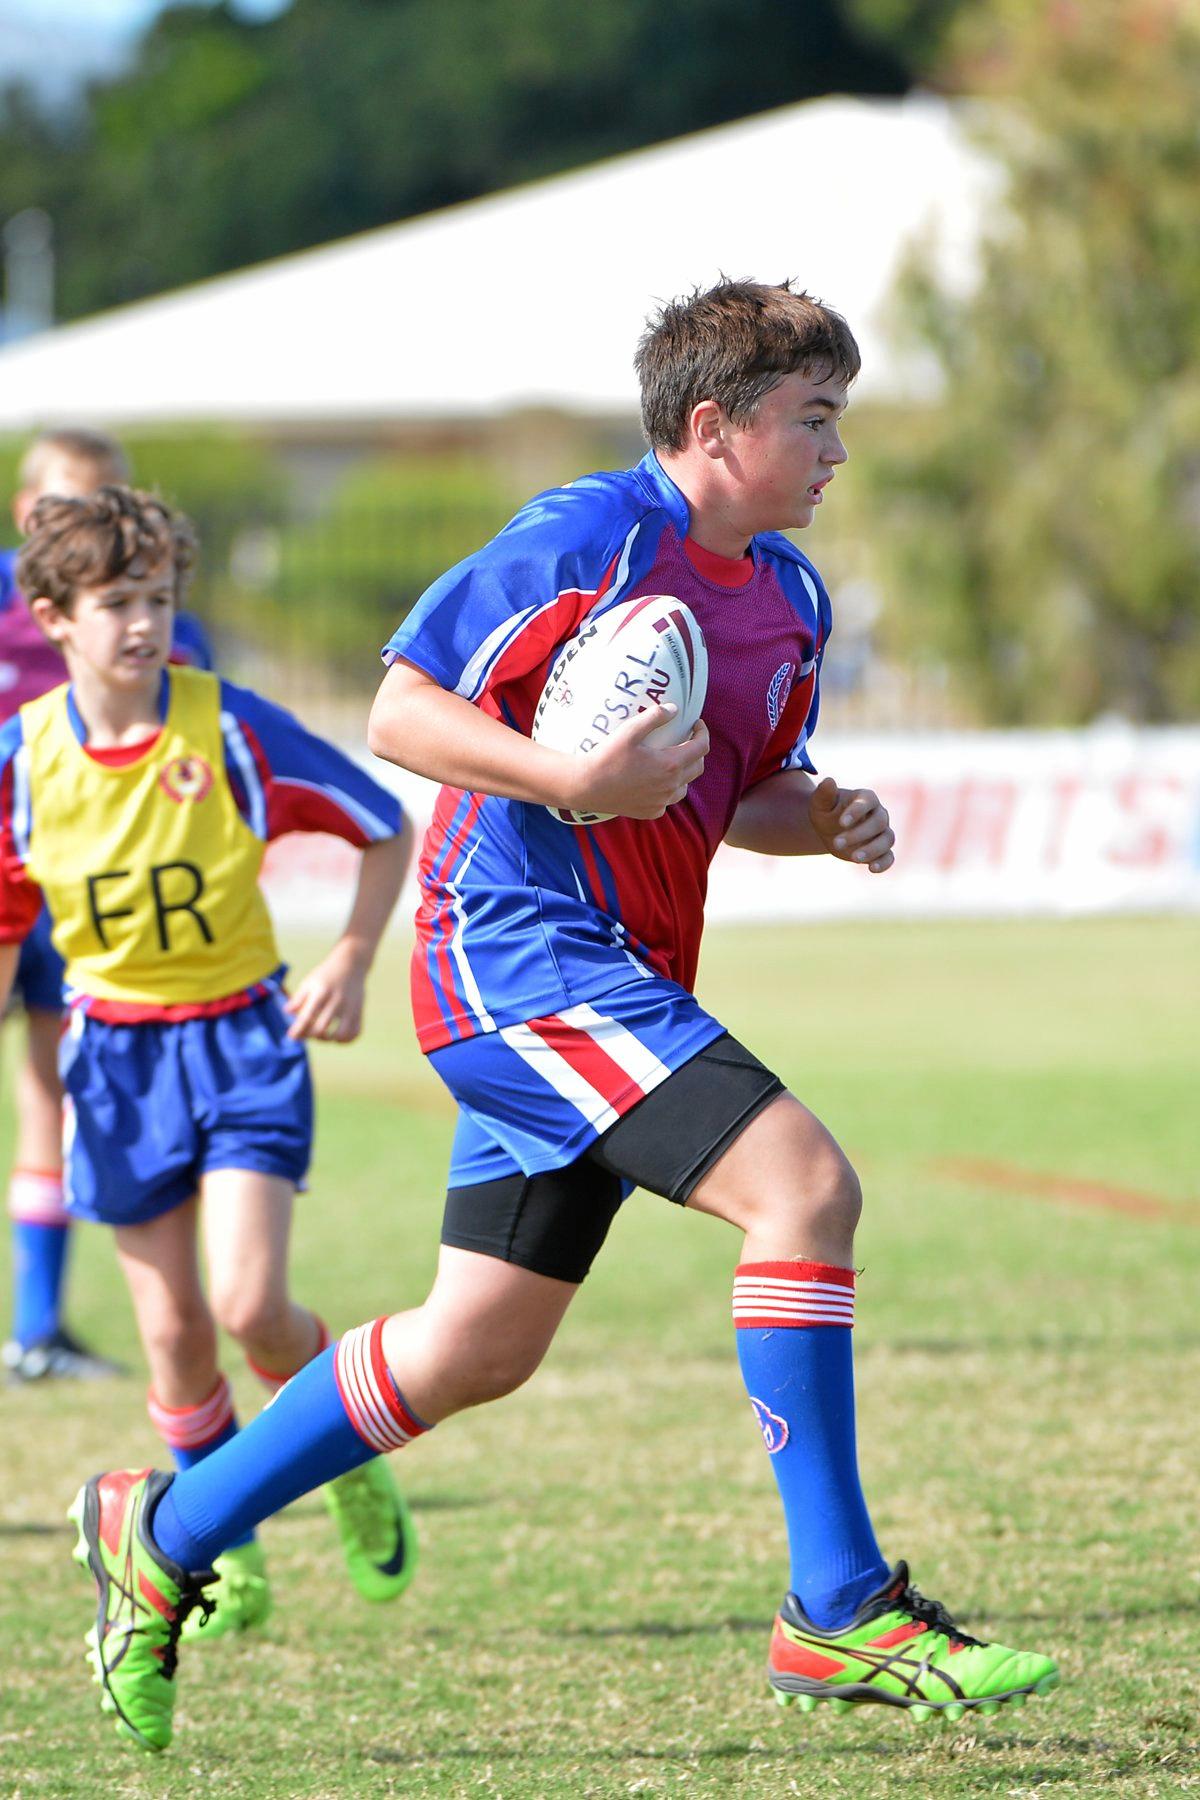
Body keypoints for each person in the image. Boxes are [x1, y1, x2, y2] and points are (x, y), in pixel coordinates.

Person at [67, 281, 1057, 1754]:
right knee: (805, 1189)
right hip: (518, 959)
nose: (837, 452)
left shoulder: (787, 595)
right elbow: (404, 713)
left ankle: (163, 1527)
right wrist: (568, 784)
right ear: (713, 428)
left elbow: (725, 791)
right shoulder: (587, 537)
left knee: (476, 1344)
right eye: (816, 421)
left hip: (617, 978)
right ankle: (838, 1606)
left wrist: (821, 813)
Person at [1, 484, 416, 1654]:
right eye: (117, 602)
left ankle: (343, 1454)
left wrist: (347, 959)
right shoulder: (23, 761)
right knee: (177, 1335)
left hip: (240, 1041)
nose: (146, 623)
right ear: (52, 615)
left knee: (253, 1309)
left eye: (161, 598)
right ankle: (216, 1554)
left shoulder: (226, 725)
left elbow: (383, 824)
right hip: (114, 1065)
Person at [1, 428, 214, 1382]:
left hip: (87, 896)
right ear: (26, 515)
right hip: (14, 872)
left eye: (108, 507)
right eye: (68, 510)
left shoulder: (163, 635)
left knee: (49, 1097)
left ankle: (37, 1329)